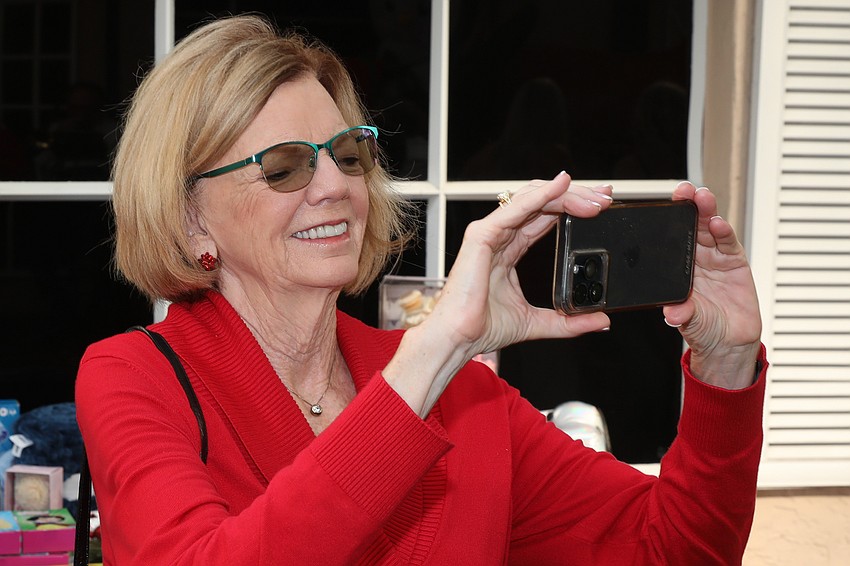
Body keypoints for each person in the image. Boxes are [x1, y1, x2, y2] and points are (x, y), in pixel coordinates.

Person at [75, 14, 767, 565]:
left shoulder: (463, 395)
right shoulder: (133, 378)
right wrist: (435, 348)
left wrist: (726, 367)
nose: (335, 186)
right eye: (283, 167)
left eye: (348, 152)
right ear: (192, 215)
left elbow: (673, 550)